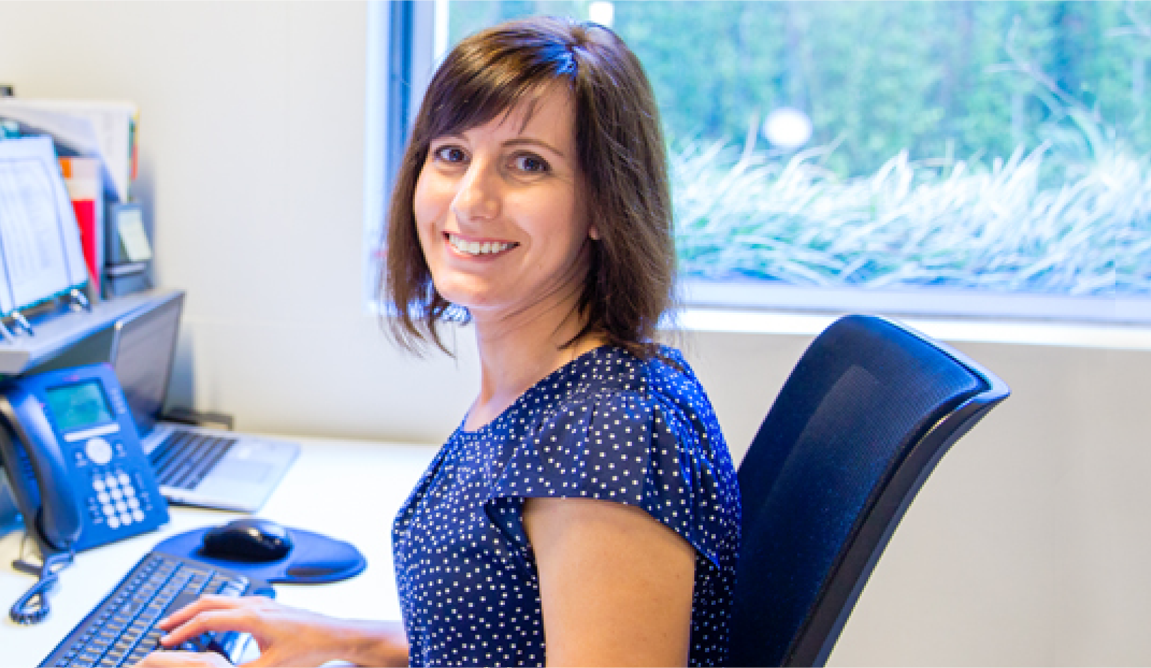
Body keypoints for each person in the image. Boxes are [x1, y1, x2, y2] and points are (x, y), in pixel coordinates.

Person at [139, 16, 741, 668]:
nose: (471, 201)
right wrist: (346, 639)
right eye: (451, 154)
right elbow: (509, 635)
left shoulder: (603, 435)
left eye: (527, 164)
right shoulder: (548, 385)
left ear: (604, 206)